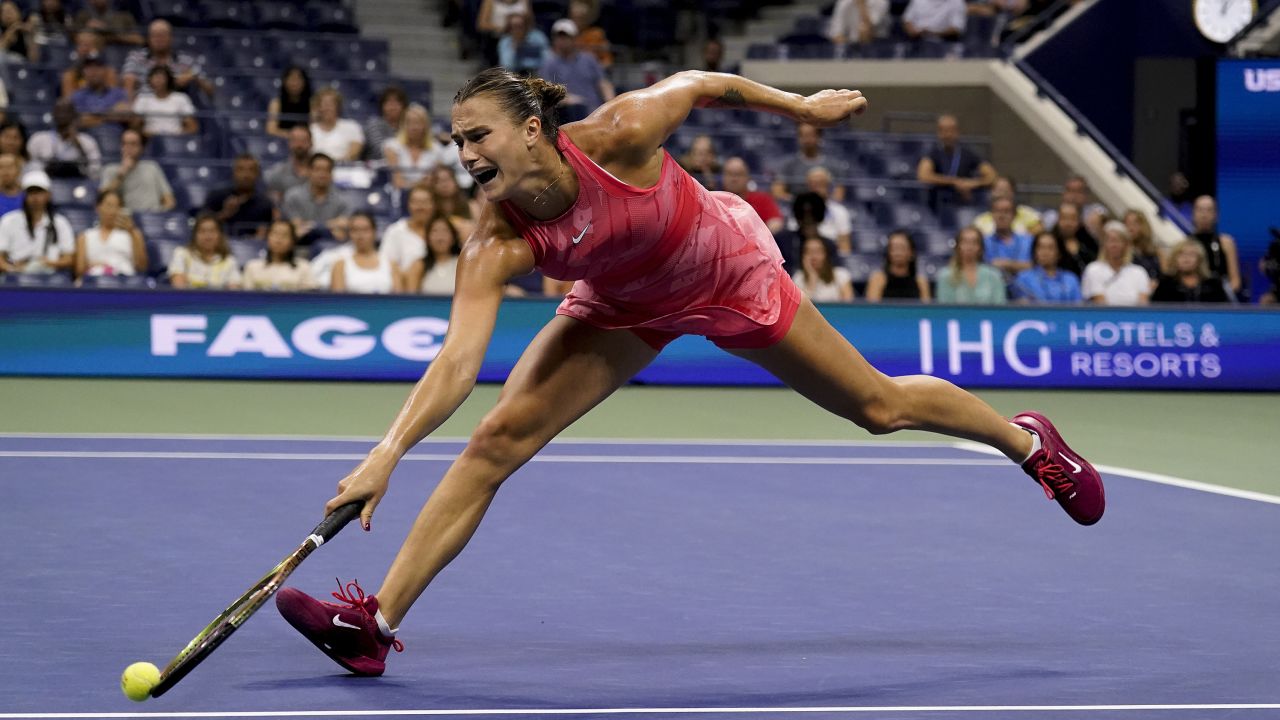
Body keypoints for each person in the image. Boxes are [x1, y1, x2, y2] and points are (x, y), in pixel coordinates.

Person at [273, 69, 1105, 677]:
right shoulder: (496, 238)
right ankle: (374, 623)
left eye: (477, 134)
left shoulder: (624, 132)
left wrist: (800, 106)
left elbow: (707, 83)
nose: (464, 154)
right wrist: (386, 453)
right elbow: (459, 361)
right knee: (495, 439)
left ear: (531, 129)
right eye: (456, 140)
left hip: (727, 270)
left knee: (879, 409)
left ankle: (1026, 443)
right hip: (622, 303)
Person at [0, 171, 75, 276]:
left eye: (39, 192)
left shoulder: (60, 223)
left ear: (48, 195)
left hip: (50, 277)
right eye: (31, 192)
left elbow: (69, 258)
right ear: (24, 195)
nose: (35, 197)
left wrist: (47, 263)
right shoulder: (8, 220)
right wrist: (13, 269)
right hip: (15, 277)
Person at [537, 19, 614, 119]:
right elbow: (547, 94)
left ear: (575, 38)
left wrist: (611, 104)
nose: (562, 40)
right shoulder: (548, 64)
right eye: (559, 37)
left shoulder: (589, 59)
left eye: (566, 37)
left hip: (596, 112)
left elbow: (603, 83)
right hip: (568, 115)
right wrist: (570, 99)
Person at [916, 113, 995, 211]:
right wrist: (954, 182)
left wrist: (973, 183)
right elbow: (923, 176)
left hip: (963, 204)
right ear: (938, 133)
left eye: (951, 130)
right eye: (944, 131)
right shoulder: (932, 152)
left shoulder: (968, 153)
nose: (948, 134)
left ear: (957, 132)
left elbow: (991, 176)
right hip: (936, 205)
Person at [121, 19, 212, 99]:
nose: (159, 39)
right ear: (148, 39)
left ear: (171, 38)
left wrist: (193, 76)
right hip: (143, 107)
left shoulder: (186, 60)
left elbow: (210, 89)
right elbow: (128, 83)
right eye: (155, 36)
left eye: (162, 35)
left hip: (175, 110)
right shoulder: (136, 57)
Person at [385, 105, 465, 191]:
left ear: (425, 126)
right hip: (398, 195)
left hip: (428, 196)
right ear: (403, 125)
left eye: (418, 122)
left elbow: (435, 182)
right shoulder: (392, 147)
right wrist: (421, 183)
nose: (414, 127)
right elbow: (398, 183)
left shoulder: (436, 149)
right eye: (409, 122)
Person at [282, 152, 352, 244]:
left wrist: (311, 225)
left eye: (327, 170)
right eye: (317, 169)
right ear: (309, 171)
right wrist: (330, 225)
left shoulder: (343, 200)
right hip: (299, 247)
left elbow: (341, 231)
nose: (322, 174)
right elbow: (296, 228)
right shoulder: (293, 196)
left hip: (331, 249)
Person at [73, 188, 145, 277]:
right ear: (98, 207)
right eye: (109, 205)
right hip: (95, 283)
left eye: (117, 206)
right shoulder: (84, 236)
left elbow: (142, 267)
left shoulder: (133, 234)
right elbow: (79, 271)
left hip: (124, 282)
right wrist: (96, 265)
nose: (112, 211)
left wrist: (132, 232)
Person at [770, 122, 850, 202]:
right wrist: (799, 202)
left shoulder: (833, 165)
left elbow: (839, 195)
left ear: (819, 136)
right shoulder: (788, 165)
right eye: (802, 135)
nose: (806, 140)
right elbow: (777, 192)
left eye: (810, 135)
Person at [99, 128, 175, 212]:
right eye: (125, 144)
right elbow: (101, 200)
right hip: (125, 218)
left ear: (141, 148)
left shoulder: (152, 167)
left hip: (153, 217)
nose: (128, 148)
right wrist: (120, 175)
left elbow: (169, 200)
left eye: (133, 144)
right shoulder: (110, 169)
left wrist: (159, 216)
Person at [199, 154, 275, 237]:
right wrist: (224, 214)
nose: (246, 175)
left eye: (251, 170)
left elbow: (268, 232)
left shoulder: (265, 204)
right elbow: (200, 225)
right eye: (241, 169)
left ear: (257, 174)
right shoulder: (216, 196)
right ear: (234, 172)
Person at [26, 99, 102, 181]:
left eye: (67, 112)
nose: (63, 115)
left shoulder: (87, 141)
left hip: (77, 182)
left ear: (74, 115)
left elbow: (96, 171)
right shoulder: (38, 138)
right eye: (59, 111)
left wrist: (78, 145)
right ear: (53, 114)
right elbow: (30, 167)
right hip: (46, 182)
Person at [1080, 220, 1150, 306]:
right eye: (1110, 240)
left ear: (1126, 245)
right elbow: (1100, 303)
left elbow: (1143, 306)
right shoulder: (1093, 269)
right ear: (1104, 244)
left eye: (1118, 241)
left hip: (1134, 319)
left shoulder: (1139, 272)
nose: (1114, 245)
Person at [331, 211, 398, 294]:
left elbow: (398, 302)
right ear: (350, 233)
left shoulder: (391, 264)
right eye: (355, 230)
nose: (360, 235)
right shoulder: (340, 265)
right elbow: (337, 303)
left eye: (365, 230)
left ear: (374, 232)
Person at [380, 183, 434, 284]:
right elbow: (388, 264)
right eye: (416, 202)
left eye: (425, 202)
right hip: (405, 291)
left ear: (433, 204)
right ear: (409, 204)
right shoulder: (395, 231)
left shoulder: (441, 231)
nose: (420, 207)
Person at [936, 226, 1005, 304]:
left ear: (980, 248)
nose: (969, 247)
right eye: (965, 242)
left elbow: (1000, 308)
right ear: (958, 246)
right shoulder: (946, 275)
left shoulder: (994, 276)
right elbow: (944, 309)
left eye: (974, 242)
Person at [167, 214, 240, 288]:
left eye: (212, 231)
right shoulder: (182, 254)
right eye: (202, 231)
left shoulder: (230, 261)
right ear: (194, 235)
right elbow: (179, 287)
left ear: (220, 235)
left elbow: (233, 291)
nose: (208, 236)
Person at [1189, 195, 1241, 296]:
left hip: (1219, 299)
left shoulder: (1226, 243)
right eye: (1200, 210)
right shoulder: (1185, 244)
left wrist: (1222, 296)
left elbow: (1235, 282)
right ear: (1193, 214)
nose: (1204, 215)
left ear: (1216, 215)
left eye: (1209, 210)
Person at [1151, 239, 1229, 304]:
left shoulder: (1213, 284)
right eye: (1181, 254)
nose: (1186, 258)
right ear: (1174, 259)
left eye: (1191, 254)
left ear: (1200, 260)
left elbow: (1225, 311)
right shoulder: (1165, 284)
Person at [242, 219, 313, 291]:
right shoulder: (252, 266)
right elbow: (246, 297)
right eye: (275, 234)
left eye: (284, 235)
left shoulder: (303, 267)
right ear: (268, 238)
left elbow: (309, 297)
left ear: (292, 241)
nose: (279, 239)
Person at [1011, 232, 1081, 304]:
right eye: (1041, 247)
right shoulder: (1023, 279)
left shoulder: (1070, 279)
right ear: (1034, 252)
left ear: (1059, 253)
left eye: (1050, 248)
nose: (1045, 252)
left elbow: (1080, 308)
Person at [720, 156, 783, 234]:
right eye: (730, 174)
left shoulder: (763, 199)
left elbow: (776, 222)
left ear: (747, 177)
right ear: (723, 177)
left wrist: (758, 237)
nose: (734, 179)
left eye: (739, 174)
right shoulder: (714, 200)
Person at [864, 229, 930, 302]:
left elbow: (926, 310)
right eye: (894, 248)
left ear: (912, 253)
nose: (897, 252)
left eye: (902, 248)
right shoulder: (878, 279)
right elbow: (872, 310)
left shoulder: (920, 281)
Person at [132, 65, 197, 136]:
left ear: (168, 80)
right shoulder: (143, 98)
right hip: (150, 140)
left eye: (161, 78)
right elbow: (135, 126)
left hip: (175, 140)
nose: (158, 80)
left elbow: (192, 127)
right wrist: (146, 134)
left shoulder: (181, 98)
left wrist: (177, 136)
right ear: (150, 80)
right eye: (155, 77)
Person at [406, 213, 462, 294]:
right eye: (435, 231)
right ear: (427, 238)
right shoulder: (418, 265)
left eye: (445, 231)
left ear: (453, 238)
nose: (440, 237)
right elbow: (411, 300)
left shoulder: (462, 264)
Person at [69, 54, 129, 128]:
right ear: (83, 72)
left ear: (105, 70)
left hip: (114, 133)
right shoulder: (77, 96)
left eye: (98, 66)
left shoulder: (118, 94)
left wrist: (96, 118)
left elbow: (126, 114)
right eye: (89, 67)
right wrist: (111, 115)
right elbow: (79, 121)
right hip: (88, 136)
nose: (94, 71)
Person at [983, 196, 1033, 281]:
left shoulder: (1028, 241)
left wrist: (1008, 265)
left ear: (1014, 215)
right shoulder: (983, 242)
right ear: (992, 215)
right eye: (997, 211)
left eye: (1006, 212)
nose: (1001, 216)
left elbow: (1036, 267)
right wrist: (1020, 266)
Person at [972, 176, 1041, 237]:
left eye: (1005, 190)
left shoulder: (1028, 214)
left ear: (1013, 192)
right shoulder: (980, 221)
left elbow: (1039, 234)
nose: (1001, 194)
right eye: (997, 190)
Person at [310, 87, 364, 163]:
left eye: (331, 104)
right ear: (318, 108)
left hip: (343, 168)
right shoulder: (310, 129)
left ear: (338, 107)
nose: (328, 108)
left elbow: (355, 151)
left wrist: (337, 163)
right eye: (324, 104)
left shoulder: (352, 126)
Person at [792, 236, 854, 302]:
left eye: (818, 252)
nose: (814, 257)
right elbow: (801, 308)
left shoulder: (841, 275)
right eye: (808, 252)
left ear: (826, 254)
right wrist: (812, 278)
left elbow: (848, 307)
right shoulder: (798, 277)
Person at [265, 124, 313, 203]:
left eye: (303, 141)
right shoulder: (278, 172)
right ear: (289, 143)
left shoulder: (319, 172)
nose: (299, 145)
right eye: (295, 140)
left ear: (311, 143)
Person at [362, 87, 408, 162]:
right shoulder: (374, 124)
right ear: (382, 106)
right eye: (389, 102)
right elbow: (380, 150)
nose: (393, 106)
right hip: (378, 169)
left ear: (403, 106)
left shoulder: (408, 127)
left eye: (397, 102)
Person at [266, 66, 312, 139]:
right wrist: (294, 136)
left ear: (304, 82)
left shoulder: (312, 103)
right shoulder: (276, 103)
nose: (295, 83)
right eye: (292, 79)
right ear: (285, 81)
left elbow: (314, 130)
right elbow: (271, 130)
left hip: (305, 142)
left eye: (298, 79)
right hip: (281, 142)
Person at [1050, 201, 1095, 276]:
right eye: (1064, 218)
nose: (1068, 223)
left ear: (1079, 221)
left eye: (1072, 218)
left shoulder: (1089, 243)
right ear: (1057, 220)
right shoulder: (1050, 242)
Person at [72, 0, 142, 46]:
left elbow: (139, 40)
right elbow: (73, 39)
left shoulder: (124, 16)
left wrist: (108, 31)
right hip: (91, 59)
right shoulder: (83, 16)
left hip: (119, 55)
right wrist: (87, 30)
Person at [568, 0, 611, 68]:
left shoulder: (597, 34)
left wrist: (593, 69)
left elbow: (607, 62)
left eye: (581, 18)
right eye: (576, 17)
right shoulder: (564, 32)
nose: (578, 21)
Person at [1121, 208, 1161, 280]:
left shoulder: (1156, 252)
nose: (1130, 228)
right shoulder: (1119, 250)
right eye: (1127, 224)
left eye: (1134, 224)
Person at [0, 152, 23, 217]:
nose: (5, 172)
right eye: (1, 167)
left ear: (18, 170)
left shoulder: (28, 195)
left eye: (9, 167)